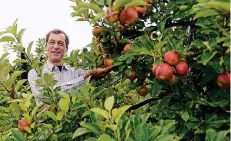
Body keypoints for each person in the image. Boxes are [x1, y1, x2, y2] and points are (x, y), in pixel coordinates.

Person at [28, 29, 112, 106]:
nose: (56, 46)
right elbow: (45, 98)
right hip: (49, 122)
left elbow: (98, 74)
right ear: (46, 46)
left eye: (60, 43)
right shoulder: (35, 73)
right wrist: (84, 78)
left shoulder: (76, 71)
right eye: (52, 42)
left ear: (66, 48)